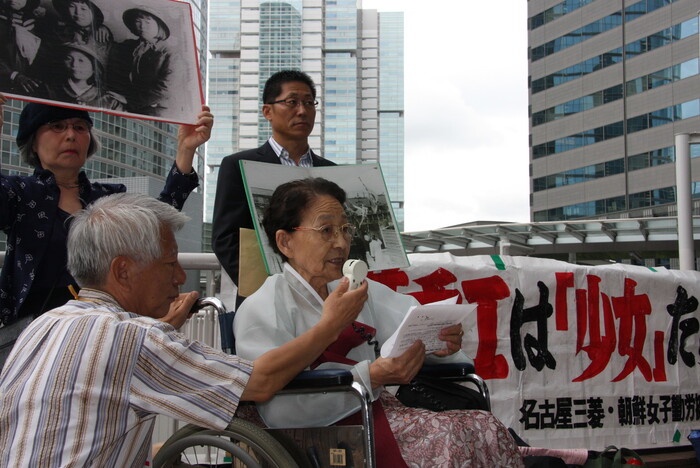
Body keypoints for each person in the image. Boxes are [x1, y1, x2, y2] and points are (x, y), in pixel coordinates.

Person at [0, 192, 367, 467]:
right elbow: (260, 383)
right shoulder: (135, 339)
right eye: (169, 264)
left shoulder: (43, 326)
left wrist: (160, 330)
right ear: (123, 270)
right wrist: (330, 325)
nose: (179, 277)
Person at [234, 178, 525, 468]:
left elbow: (411, 325)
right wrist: (369, 376)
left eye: (345, 229)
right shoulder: (265, 304)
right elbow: (278, 410)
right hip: (320, 429)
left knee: (482, 427)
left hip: (372, 411)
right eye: (326, 230)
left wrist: (439, 342)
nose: (341, 242)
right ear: (286, 242)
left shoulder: (358, 289)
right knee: (450, 434)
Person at [0, 95, 212, 365]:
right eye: (56, 126)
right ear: (33, 139)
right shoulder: (18, 194)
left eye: (80, 127)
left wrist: (185, 150)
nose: (70, 135)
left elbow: (157, 221)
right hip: (33, 337)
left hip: (102, 335)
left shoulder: (109, 197)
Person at [212, 70, 335, 295]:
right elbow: (225, 238)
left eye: (309, 102)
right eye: (292, 102)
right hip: (265, 296)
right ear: (267, 111)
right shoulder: (238, 165)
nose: (302, 110)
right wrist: (265, 290)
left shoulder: (331, 172)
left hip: (323, 294)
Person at [107, 7, 174, 116]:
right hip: (129, 108)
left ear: (159, 25)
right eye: (138, 21)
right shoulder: (129, 47)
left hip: (155, 110)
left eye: (148, 21)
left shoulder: (169, 53)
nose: (142, 26)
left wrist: (130, 100)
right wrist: (103, 29)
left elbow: (165, 89)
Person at [48, 42, 123, 109]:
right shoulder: (49, 90)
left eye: (81, 60)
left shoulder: (109, 101)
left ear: (94, 67)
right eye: (69, 59)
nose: (74, 65)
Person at [0, 0, 51, 95]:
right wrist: (14, 75)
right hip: (6, 81)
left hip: (33, 82)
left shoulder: (40, 23)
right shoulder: (3, 22)